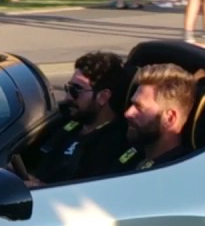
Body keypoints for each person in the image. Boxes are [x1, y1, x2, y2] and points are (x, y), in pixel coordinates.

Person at [20, 51, 128, 186]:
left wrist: (40, 187)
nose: (68, 97)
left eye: (76, 90)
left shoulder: (112, 144)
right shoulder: (67, 121)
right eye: (68, 89)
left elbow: (86, 196)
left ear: (103, 97)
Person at [116, 63, 198, 172]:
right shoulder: (134, 153)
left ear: (169, 119)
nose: (128, 113)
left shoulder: (177, 171)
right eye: (132, 105)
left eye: (139, 107)